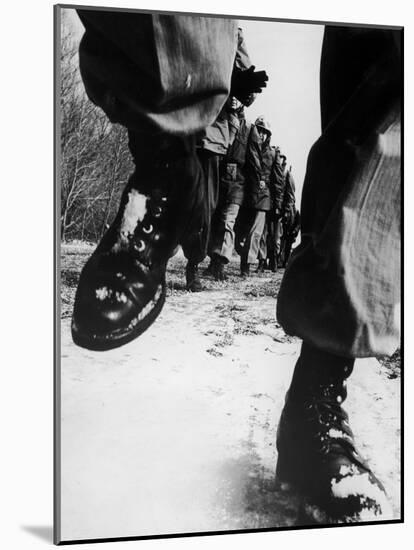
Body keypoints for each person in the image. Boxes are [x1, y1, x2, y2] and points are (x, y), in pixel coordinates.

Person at [71, 11, 401, 524]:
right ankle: (163, 157)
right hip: (219, 157)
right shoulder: (246, 136)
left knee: (387, 65)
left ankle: (317, 394)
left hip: (267, 192)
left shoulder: (268, 154)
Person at [71, 11, 267, 349]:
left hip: (215, 137)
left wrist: (237, 82)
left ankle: (189, 248)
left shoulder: (237, 34)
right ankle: (160, 180)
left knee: (204, 211)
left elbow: (244, 96)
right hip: (196, 130)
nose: (262, 133)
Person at [205, 97, 260, 280]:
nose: (235, 100)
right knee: (213, 221)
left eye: (239, 97)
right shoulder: (217, 119)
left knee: (227, 222)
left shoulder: (250, 129)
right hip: (216, 178)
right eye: (232, 96)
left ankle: (220, 263)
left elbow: (254, 165)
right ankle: (212, 261)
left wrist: (253, 197)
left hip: (237, 185)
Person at [236, 116, 275, 277]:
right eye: (259, 130)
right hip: (247, 193)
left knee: (255, 233)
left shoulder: (272, 154)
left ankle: (247, 264)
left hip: (263, 198)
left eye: (265, 132)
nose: (262, 135)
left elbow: (276, 180)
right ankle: (242, 257)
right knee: (240, 230)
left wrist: (277, 203)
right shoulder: (247, 146)